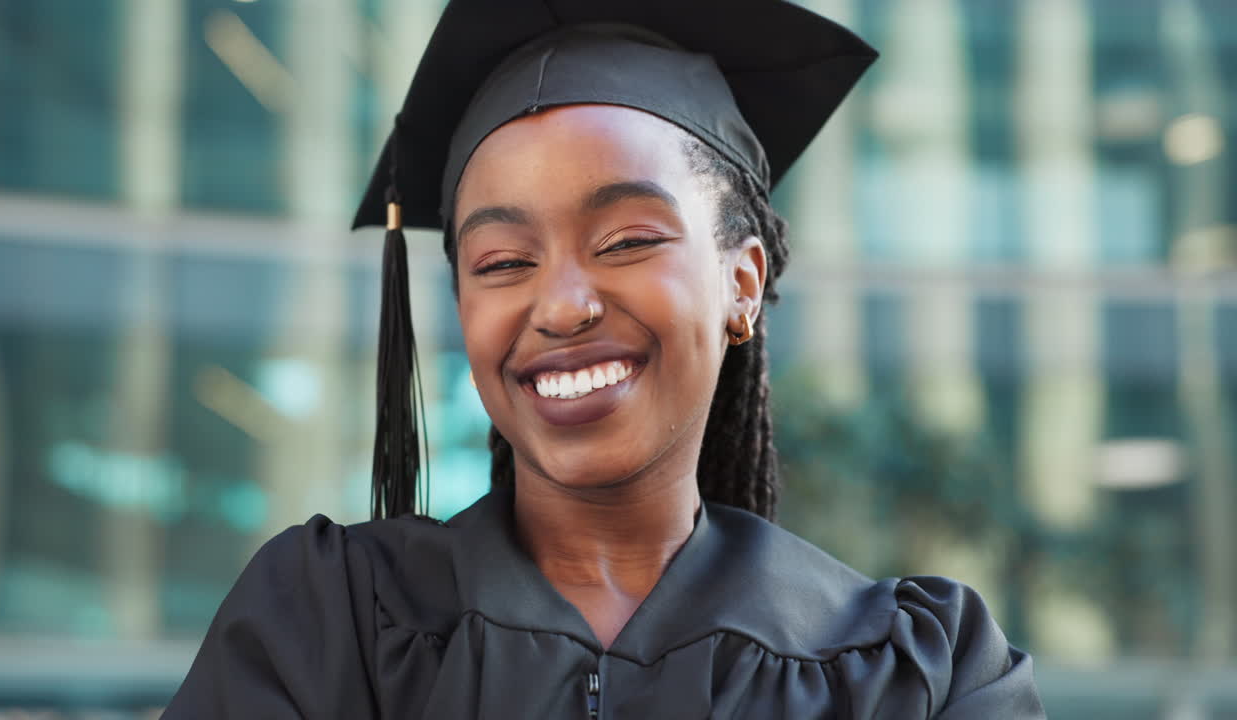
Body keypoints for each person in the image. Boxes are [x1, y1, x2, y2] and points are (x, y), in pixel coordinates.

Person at [165, 0, 1046, 717]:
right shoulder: (328, 625)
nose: (562, 305)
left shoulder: (917, 675)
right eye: (503, 262)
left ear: (743, 283)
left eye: (626, 241)